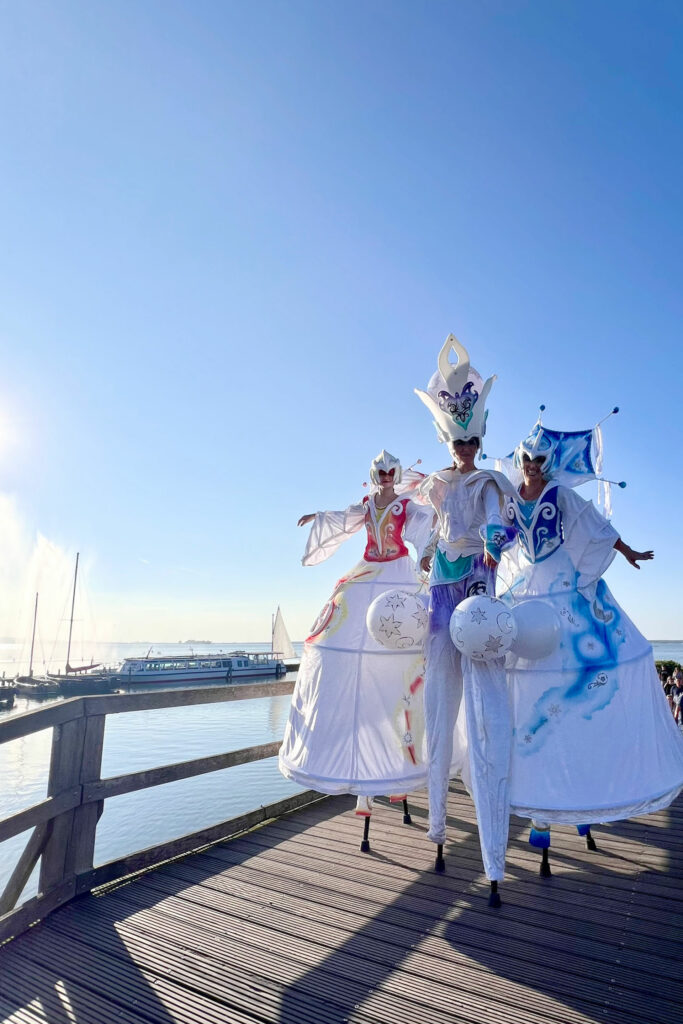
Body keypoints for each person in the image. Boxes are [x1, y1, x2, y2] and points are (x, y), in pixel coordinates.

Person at [498, 419, 683, 874]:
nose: (533, 467)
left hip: (563, 586)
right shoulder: (508, 498)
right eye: (527, 460)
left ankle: (580, 801)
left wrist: (629, 552)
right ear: (519, 462)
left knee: (574, 692)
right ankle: (542, 805)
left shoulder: (560, 496)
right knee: (528, 698)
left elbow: (594, 525)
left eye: (540, 461)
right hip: (528, 593)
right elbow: (498, 536)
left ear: (548, 464)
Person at [278, 450, 432, 849]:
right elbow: (344, 520)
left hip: (396, 577)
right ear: (373, 474)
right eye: (379, 472)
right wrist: (318, 518)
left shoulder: (404, 505)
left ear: (397, 475)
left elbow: (427, 525)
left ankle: (398, 766)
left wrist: (430, 550)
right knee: (339, 643)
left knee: (398, 664)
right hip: (365, 575)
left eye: (390, 472)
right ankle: (362, 772)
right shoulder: (366, 504)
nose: (384, 477)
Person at [414, 334, 516, 906]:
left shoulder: (489, 482)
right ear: (448, 442)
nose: (466, 450)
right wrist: (425, 555)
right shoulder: (437, 484)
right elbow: (428, 533)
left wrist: (495, 544)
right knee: (438, 710)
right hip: (440, 596)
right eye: (458, 442)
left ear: (479, 441)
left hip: (477, 592)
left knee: (486, 713)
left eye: (472, 441)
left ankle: (495, 854)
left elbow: (503, 523)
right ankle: (436, 829)